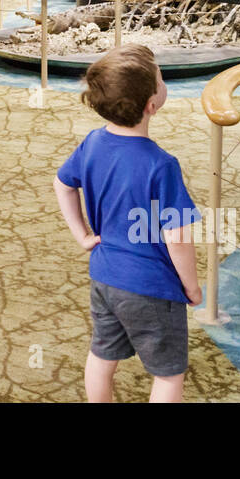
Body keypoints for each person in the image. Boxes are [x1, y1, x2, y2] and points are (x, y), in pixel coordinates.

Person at [53, 44, 202, 402]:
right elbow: (178, 236)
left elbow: (62, 184)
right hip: (153, 288)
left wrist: (83, 236)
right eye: (160, 79)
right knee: (169, 375)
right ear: (151, 105)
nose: (163, 81)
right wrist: (193, 288)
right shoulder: (162, 164)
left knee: (102, 355)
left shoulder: (92, 143)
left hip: (105, 277)